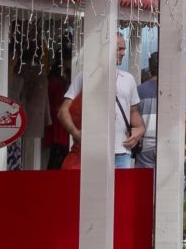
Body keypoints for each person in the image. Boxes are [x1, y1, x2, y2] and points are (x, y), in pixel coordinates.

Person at [58, 33, 144, 169]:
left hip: (122, 152)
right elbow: (63, 111)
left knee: (121, 190)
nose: (123, 53)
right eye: (119, 49)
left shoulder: (128, 79)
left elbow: (133, 112)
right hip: (93, 152)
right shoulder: (86, 76)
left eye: (124, 49)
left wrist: (140, 129)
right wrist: (76, 133)